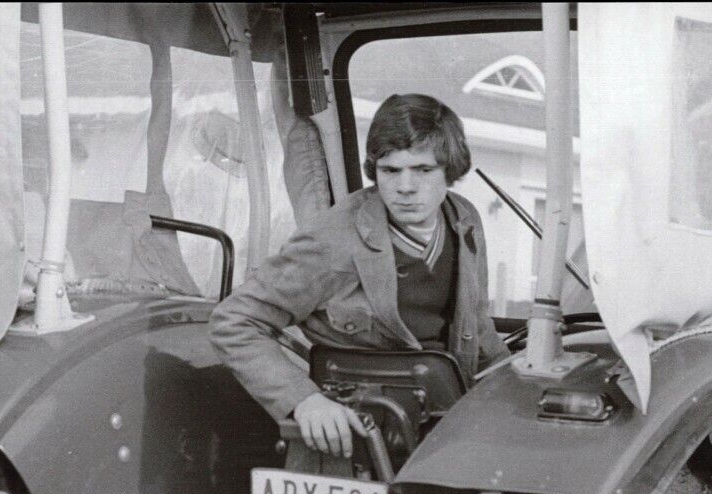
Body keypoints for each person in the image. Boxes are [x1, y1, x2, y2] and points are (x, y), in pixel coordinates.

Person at [211, 93, 510, 457]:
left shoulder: (464, 220)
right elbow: (234, 320)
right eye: (390, 170)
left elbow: (477, 329)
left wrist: (515, 385)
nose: (405, 187)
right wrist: (304, 401)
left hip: (446, 419)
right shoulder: (334, 240)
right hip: (360, 431)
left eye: (423, 170)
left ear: (451, 170)